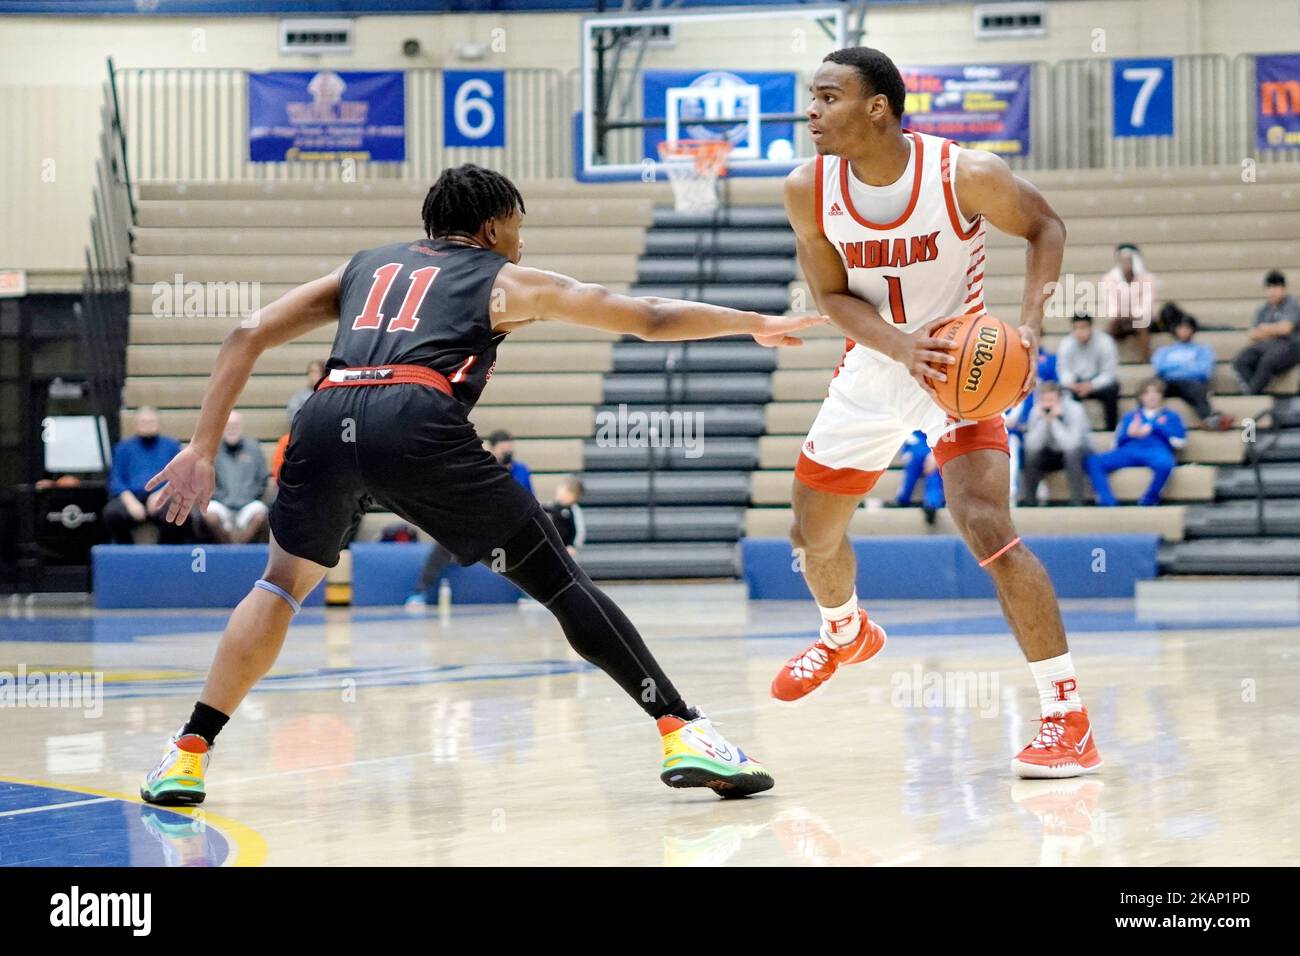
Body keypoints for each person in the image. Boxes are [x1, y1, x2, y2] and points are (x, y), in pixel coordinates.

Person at [138, 164, 823, 806]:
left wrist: (202, 445)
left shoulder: (364, 267)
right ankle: (683, 730)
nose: (522, 243)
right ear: (494, 228)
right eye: (519, 228)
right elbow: (644, 317)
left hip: (324, 415)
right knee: (559, 581)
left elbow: (245, 331)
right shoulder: (500, 277)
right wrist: (754, 323)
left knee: (280, 585)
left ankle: (189, 751)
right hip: (413, 417)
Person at [775, 46, 1100, 778]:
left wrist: (1030, 328)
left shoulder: (963, 173)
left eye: (827, 98)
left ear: (877, 107)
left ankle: (1066, 718)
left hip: (961, 369)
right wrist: (897, 345)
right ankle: (844, 631)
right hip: (874, 363)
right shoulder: (808, 189)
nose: (812, 112)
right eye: (812, 98)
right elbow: (829, 296)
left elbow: (1045, 226)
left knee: (987, 525)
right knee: (809, 535)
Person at [405, 431, 533, 609]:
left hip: (504, 525)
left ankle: (528, 594)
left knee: (525, 546)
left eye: (510, 451)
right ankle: (419, 593)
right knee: (442, 546)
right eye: (503, 451)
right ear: (492, 449)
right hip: (475, 522)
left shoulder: (521, 471)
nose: (507, 454)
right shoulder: (481, 466)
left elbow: (527, 500)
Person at [1085, 379, 1187, 507]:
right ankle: (1107, 500)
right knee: (1094, 461)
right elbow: (1115, 444)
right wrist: (1129, 434)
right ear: (1141, 396)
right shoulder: (1130, 416)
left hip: (1156, 450)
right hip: (1130, 450)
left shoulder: (1171, 416)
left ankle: (1149, 499)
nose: (1152, 396)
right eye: (1147, 393)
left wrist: (1157, 428)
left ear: (1161, 395)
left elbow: (1180, 442)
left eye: (1155, 392)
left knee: (1166, 463)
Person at [103, 406, 187, 544]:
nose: (147, 426)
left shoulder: (172, 446)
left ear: (158, 424)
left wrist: (162, 494)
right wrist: (130, 502)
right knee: (112, 513)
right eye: (143, 422)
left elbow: (179, 476)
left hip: (163, 494)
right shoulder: (123, 448)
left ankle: (165, 555)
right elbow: (116, 479)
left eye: (151, 422)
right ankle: (127, 554)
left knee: (176, 512)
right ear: (136, 424)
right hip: (132, 496)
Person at [1152, 311, 1230, 430]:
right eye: (1181, 328)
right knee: (1149, 387)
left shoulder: (1203, 350)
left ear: (1193, 330)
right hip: (1168, 383)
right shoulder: (1165, 350)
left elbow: (1204, 371)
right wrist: (1187, 365)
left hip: (1191, 383)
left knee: (1196, 390)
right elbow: (1160, 368)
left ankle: (1209, 417)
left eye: (1187, 328)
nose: (1184, 331)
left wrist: (1173, 367)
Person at [201, 411, 271, 544]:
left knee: (259, 514)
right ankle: (230, 547)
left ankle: (239, 548)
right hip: (220, 503)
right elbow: (205, 481)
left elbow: (262, 479)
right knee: (210, 515)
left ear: (241, 427)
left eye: (235, 425)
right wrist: (223, 498)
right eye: (228, 425)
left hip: (248, 503)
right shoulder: (211, 450)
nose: (231, 428)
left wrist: (247, 497)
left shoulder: (254, 448)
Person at [1019, 382, 1091, 507]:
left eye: (1051, 400)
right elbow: (1032, 445)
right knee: (1030, 454)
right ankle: (1030, 501)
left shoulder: (1075, 409)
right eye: (1044, 400)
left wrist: (1055, 421)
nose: (1048, 404)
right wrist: (1044, 421)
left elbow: (1071, 444)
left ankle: (1077, 501)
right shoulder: (1036, 410)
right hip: (1049, 451)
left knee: (1072, 454)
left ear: (1060, 399)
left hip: (1076, 451)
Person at [1232, 270, 1300, 395]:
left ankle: (1251, 394)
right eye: (1269, 287)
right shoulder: (1263, 309)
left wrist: (1265, 328)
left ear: (1284, 289)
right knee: (1241, 360)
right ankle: (1254, 391)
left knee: (1267, 360)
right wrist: (1274, 330)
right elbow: (1252, 334)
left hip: (1291, 347)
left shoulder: (1292, 304)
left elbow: (1286, 329)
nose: (1273, 291)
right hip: (1267, 345)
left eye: (1276, 287)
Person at [1057, 313, 1120, 431]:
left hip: (1098, 381)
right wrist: (1072, 384)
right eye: (1076, 328)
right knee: (1062, 393)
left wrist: (1091, 386)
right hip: (1076, 382)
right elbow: (1063, 370)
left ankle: (1111, 428)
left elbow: (1109, 373)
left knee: (1112, 388)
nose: (1080, 332)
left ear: (1091, 327)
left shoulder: (1105, 342)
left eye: (1083, 327)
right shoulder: (1066, 343)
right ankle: (1071, 430)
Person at [1099, 243, 1159, 361]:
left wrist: (1134, 315)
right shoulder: (1109, 279)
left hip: (1141, 319)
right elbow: (1110, 305)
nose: (1126, 264)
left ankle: (1146, 358)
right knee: (1110, 327)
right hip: (1121, 319)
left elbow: (1147, 304)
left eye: (1129, 260)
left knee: (1142, 324)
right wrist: (1120, 315)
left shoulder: (1148, 278)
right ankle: (1106, 359)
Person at [891, 431, 944, 525]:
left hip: (938, 436)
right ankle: (903, 498)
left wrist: (934, 454)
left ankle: (931, 505)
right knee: (917, 456)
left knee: (935, 467)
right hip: (915, 434)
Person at [544, 476, 586, 557]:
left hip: (566, 550)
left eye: (565, 493)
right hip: (551, 547)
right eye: (560, 492)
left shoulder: (574, 511)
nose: (560, 495)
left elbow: (579, 530)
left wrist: (573, 546)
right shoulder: (551, 506)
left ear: (573, 496)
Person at [285, 359, 325, 426]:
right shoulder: (300, 395)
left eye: (316, 372)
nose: (313, 375)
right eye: (311, 372)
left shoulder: (328, 394)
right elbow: (292, 415)